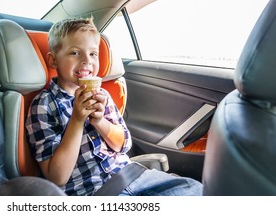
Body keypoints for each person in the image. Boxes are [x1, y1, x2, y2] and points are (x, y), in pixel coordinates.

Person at [25, 17, 203, 196]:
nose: (87, 61)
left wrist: (100, 121)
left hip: (131, 176)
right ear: (54, 61)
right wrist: (77, 120)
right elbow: (58, 177)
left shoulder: (102, 95)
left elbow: (123, 145)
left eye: (93, 53)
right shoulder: (44, 105)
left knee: (196, 189)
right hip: (93, 192)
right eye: (75, 53)